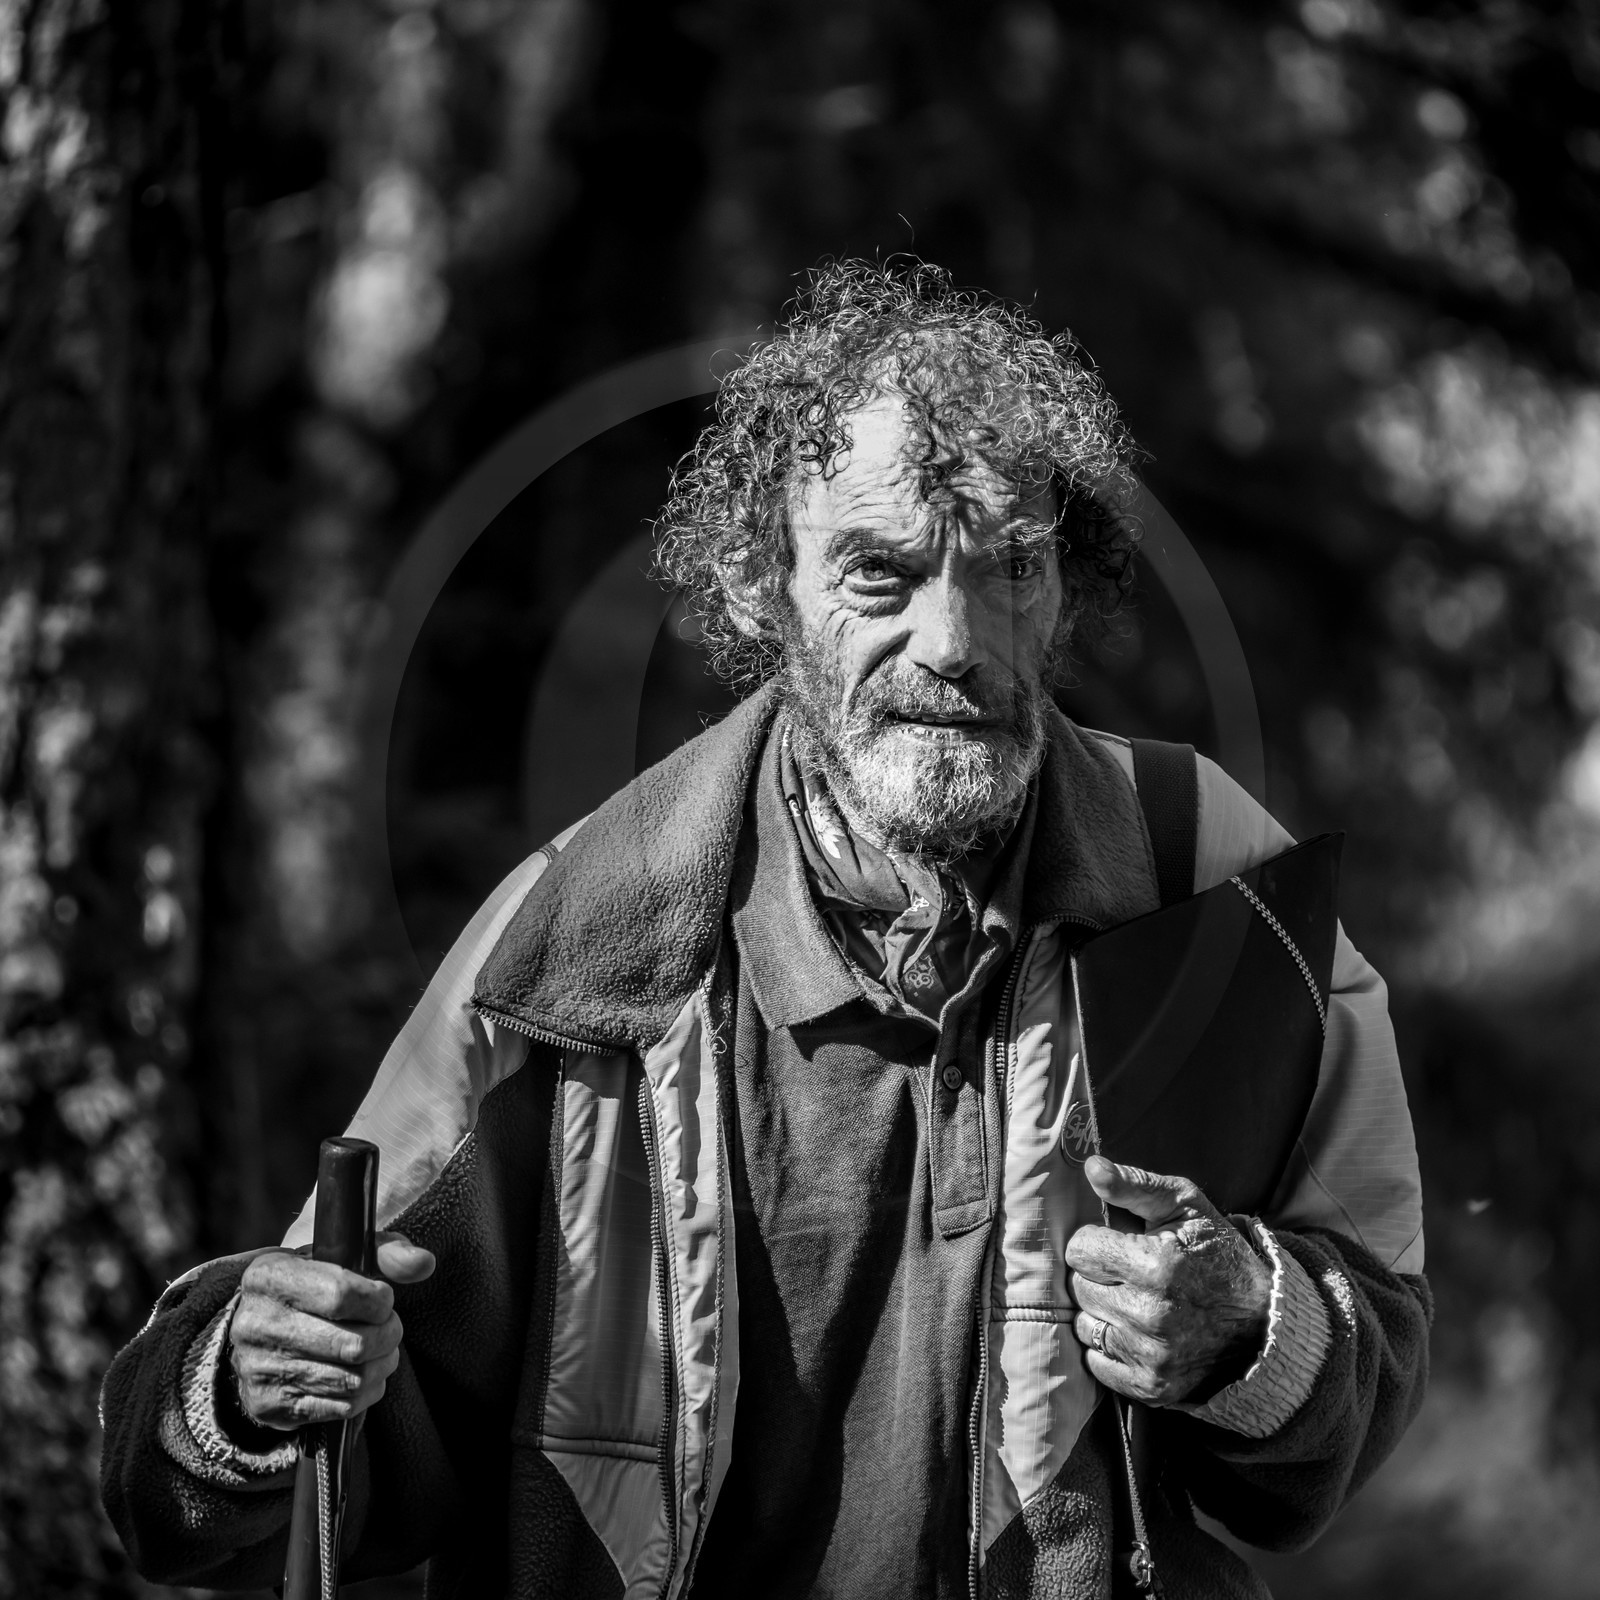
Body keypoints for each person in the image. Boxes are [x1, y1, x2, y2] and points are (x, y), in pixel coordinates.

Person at [100, 260, 1429, 1600]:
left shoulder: (1212, 877)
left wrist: (1253, 1328)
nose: (953, 639)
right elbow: (271, 1459)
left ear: (1063, 597)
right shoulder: (573, 940)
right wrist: (239, 1394)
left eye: (1007, 568)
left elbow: (1369, 1338)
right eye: (879, 571)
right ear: (760, 592)